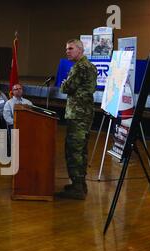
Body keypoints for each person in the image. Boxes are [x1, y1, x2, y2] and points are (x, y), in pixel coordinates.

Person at [58, 39, 97, 200]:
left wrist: (64, 84)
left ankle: (77, 188)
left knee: (74, 150)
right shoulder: (90, 66)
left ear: (80, 50)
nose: (67, 51)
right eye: (66, 49)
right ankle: (80, 184)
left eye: (70, 48)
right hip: (86, 113)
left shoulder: (79, 67)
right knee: (82, 150)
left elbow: (66, 88)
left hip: (77, 114)